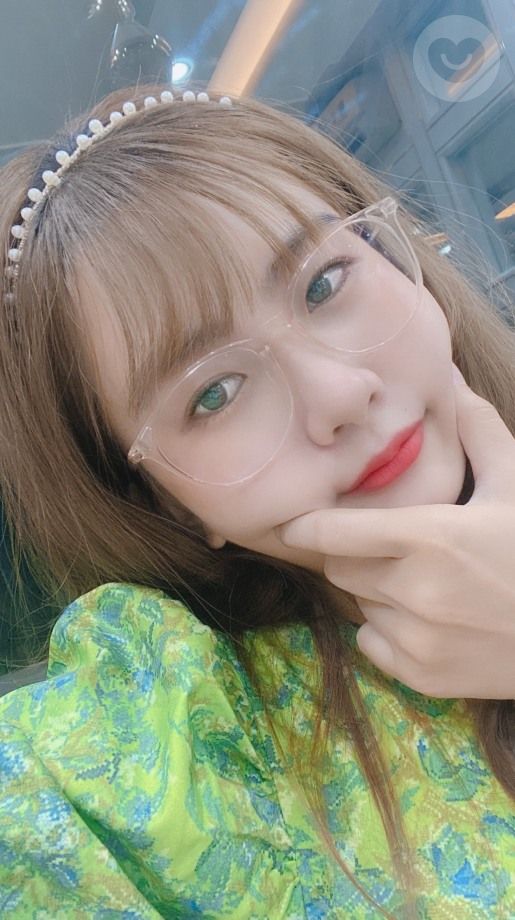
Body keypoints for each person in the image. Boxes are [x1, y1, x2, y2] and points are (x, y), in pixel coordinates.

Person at [0, 83, 514, 920]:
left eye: (324, 285)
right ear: (161, 500)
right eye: (215, 394)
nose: (340, 394)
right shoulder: (187, 742)